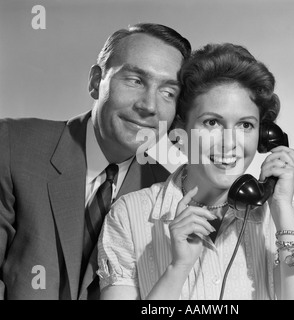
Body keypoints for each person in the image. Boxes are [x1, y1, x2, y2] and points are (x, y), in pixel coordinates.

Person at [97, 42, 294, 300]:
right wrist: (178, 268)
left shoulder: (279, 216)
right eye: (212, 122)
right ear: (180, 130)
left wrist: (283, 207)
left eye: (245, 125)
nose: (229, 143)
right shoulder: (128, 216)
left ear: (264, 136)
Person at [0, 23, 191, 300]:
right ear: (95, 82)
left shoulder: (168, 193)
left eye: (168, 93)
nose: (148, 106)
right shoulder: (12, 145)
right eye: (135, 80)